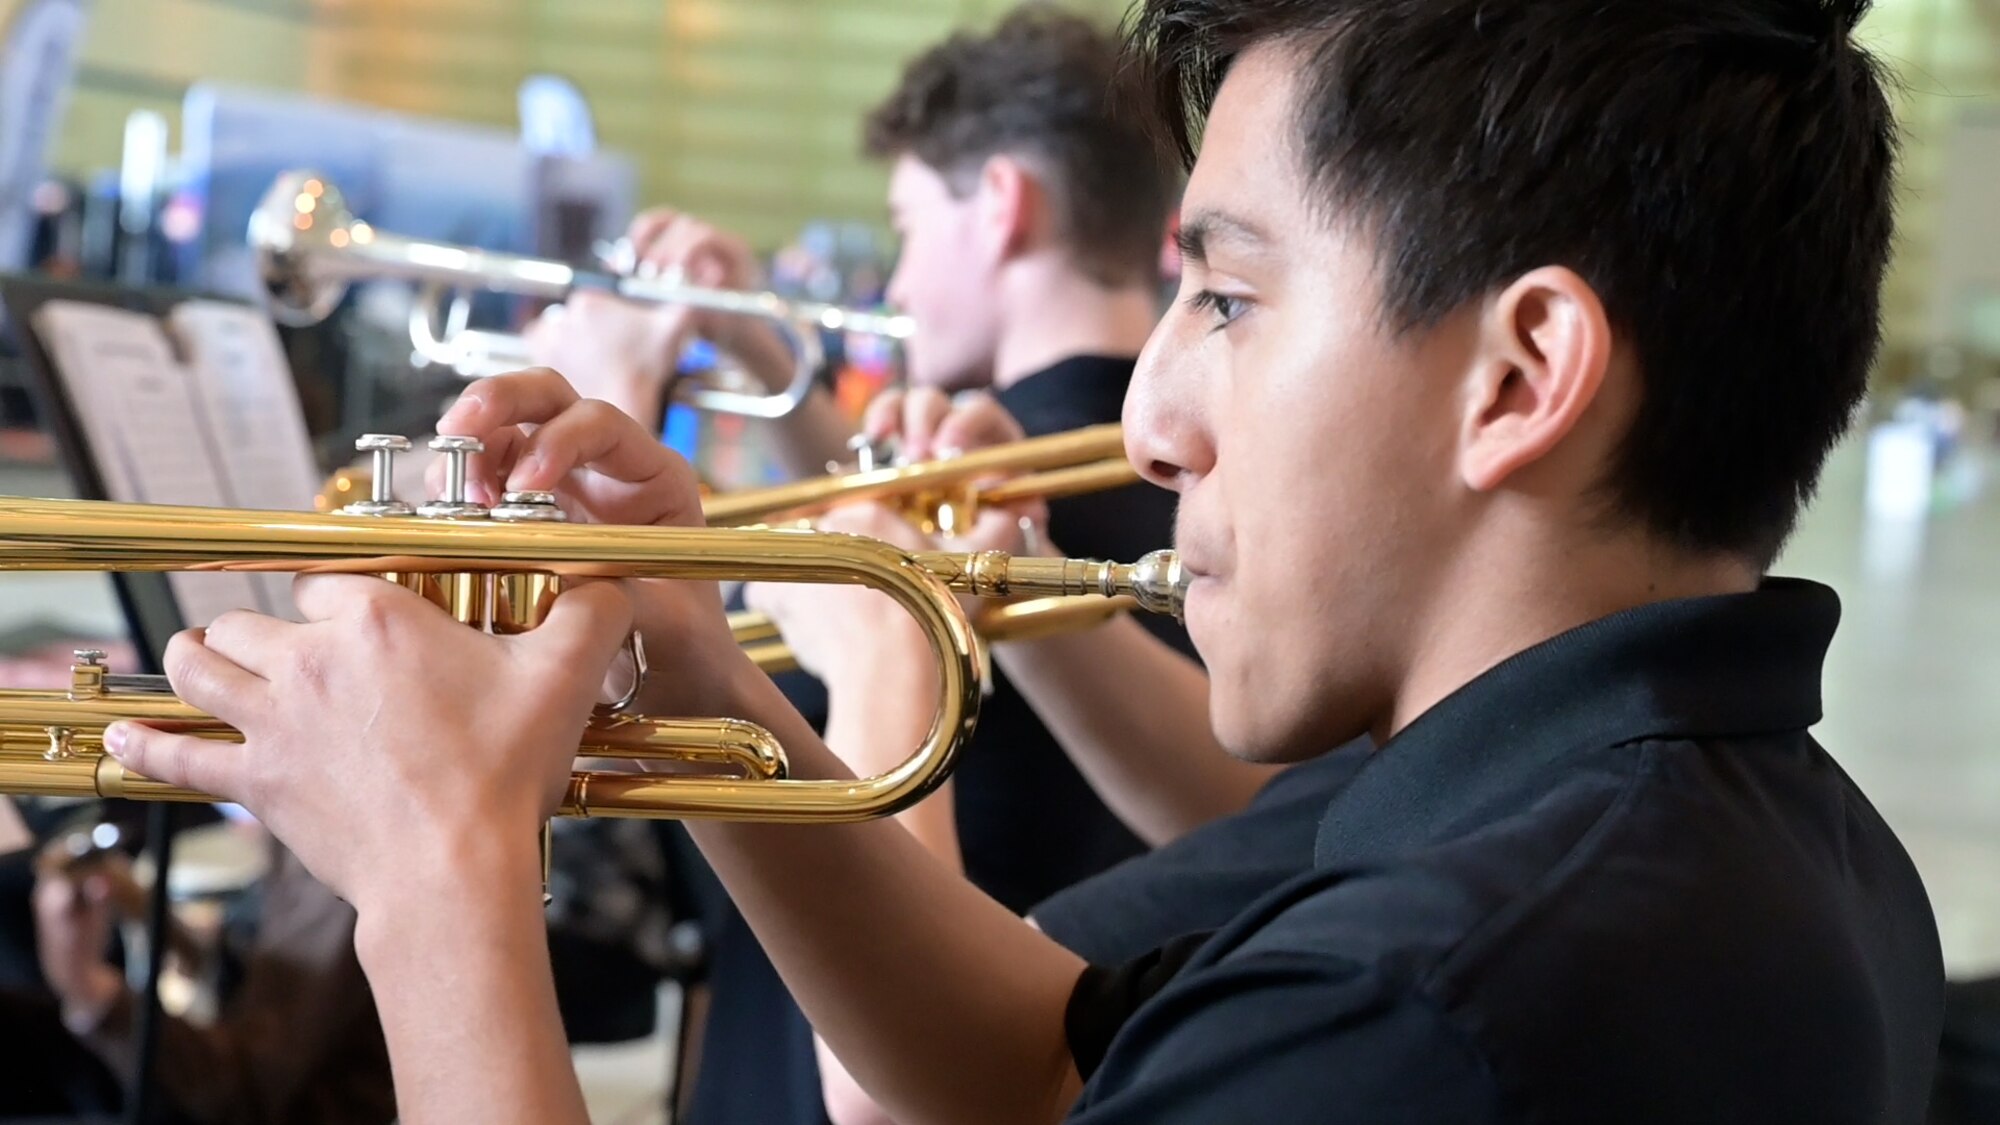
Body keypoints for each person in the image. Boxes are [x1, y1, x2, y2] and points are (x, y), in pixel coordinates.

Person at [101, 0, 1946, 1121]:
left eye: (1227, 298)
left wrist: (436, 884)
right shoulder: (1681, 805)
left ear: (1522, 374)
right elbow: (1031, 1064)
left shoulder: (1429, 1010)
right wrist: (705, 668)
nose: (1150, 424)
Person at [524, 9, 1228, 1123]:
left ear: (997, 205)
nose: (897, 284)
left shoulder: (1022, 494)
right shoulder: (1172, 496)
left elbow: (798, 648)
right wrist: (767, 363)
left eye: (906, 226)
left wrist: (610, 405)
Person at [30, 825, 396, 1125]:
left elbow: (246, 1094)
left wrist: (86, 985)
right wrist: (140, 905)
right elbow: (244, 977)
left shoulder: (343, 848)